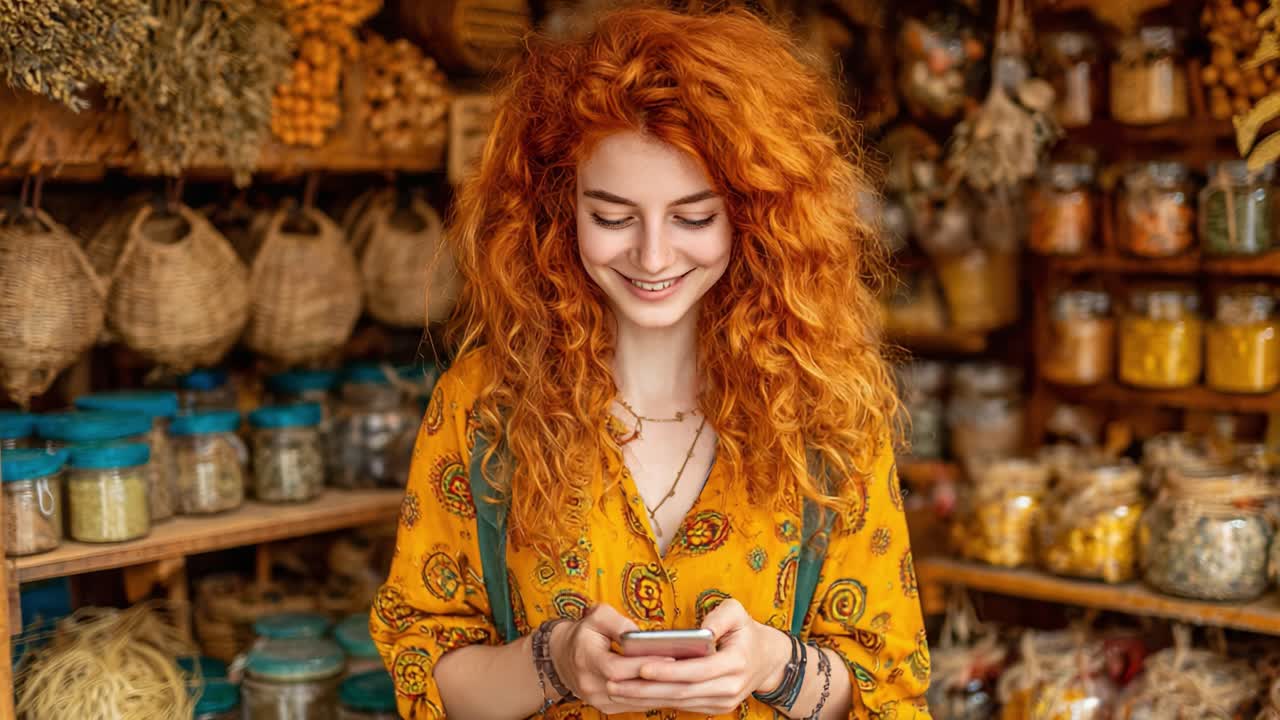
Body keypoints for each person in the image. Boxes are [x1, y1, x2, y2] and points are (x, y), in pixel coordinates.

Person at [371, 7, 931, 719]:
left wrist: (773, 666)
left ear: (751, 214)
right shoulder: (484, 406)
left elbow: (890, 685)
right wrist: (556, 661)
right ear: (558, 208)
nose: (654, 256)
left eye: (694, 217)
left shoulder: (827, 412)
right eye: (612, 217)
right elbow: (425, 666)